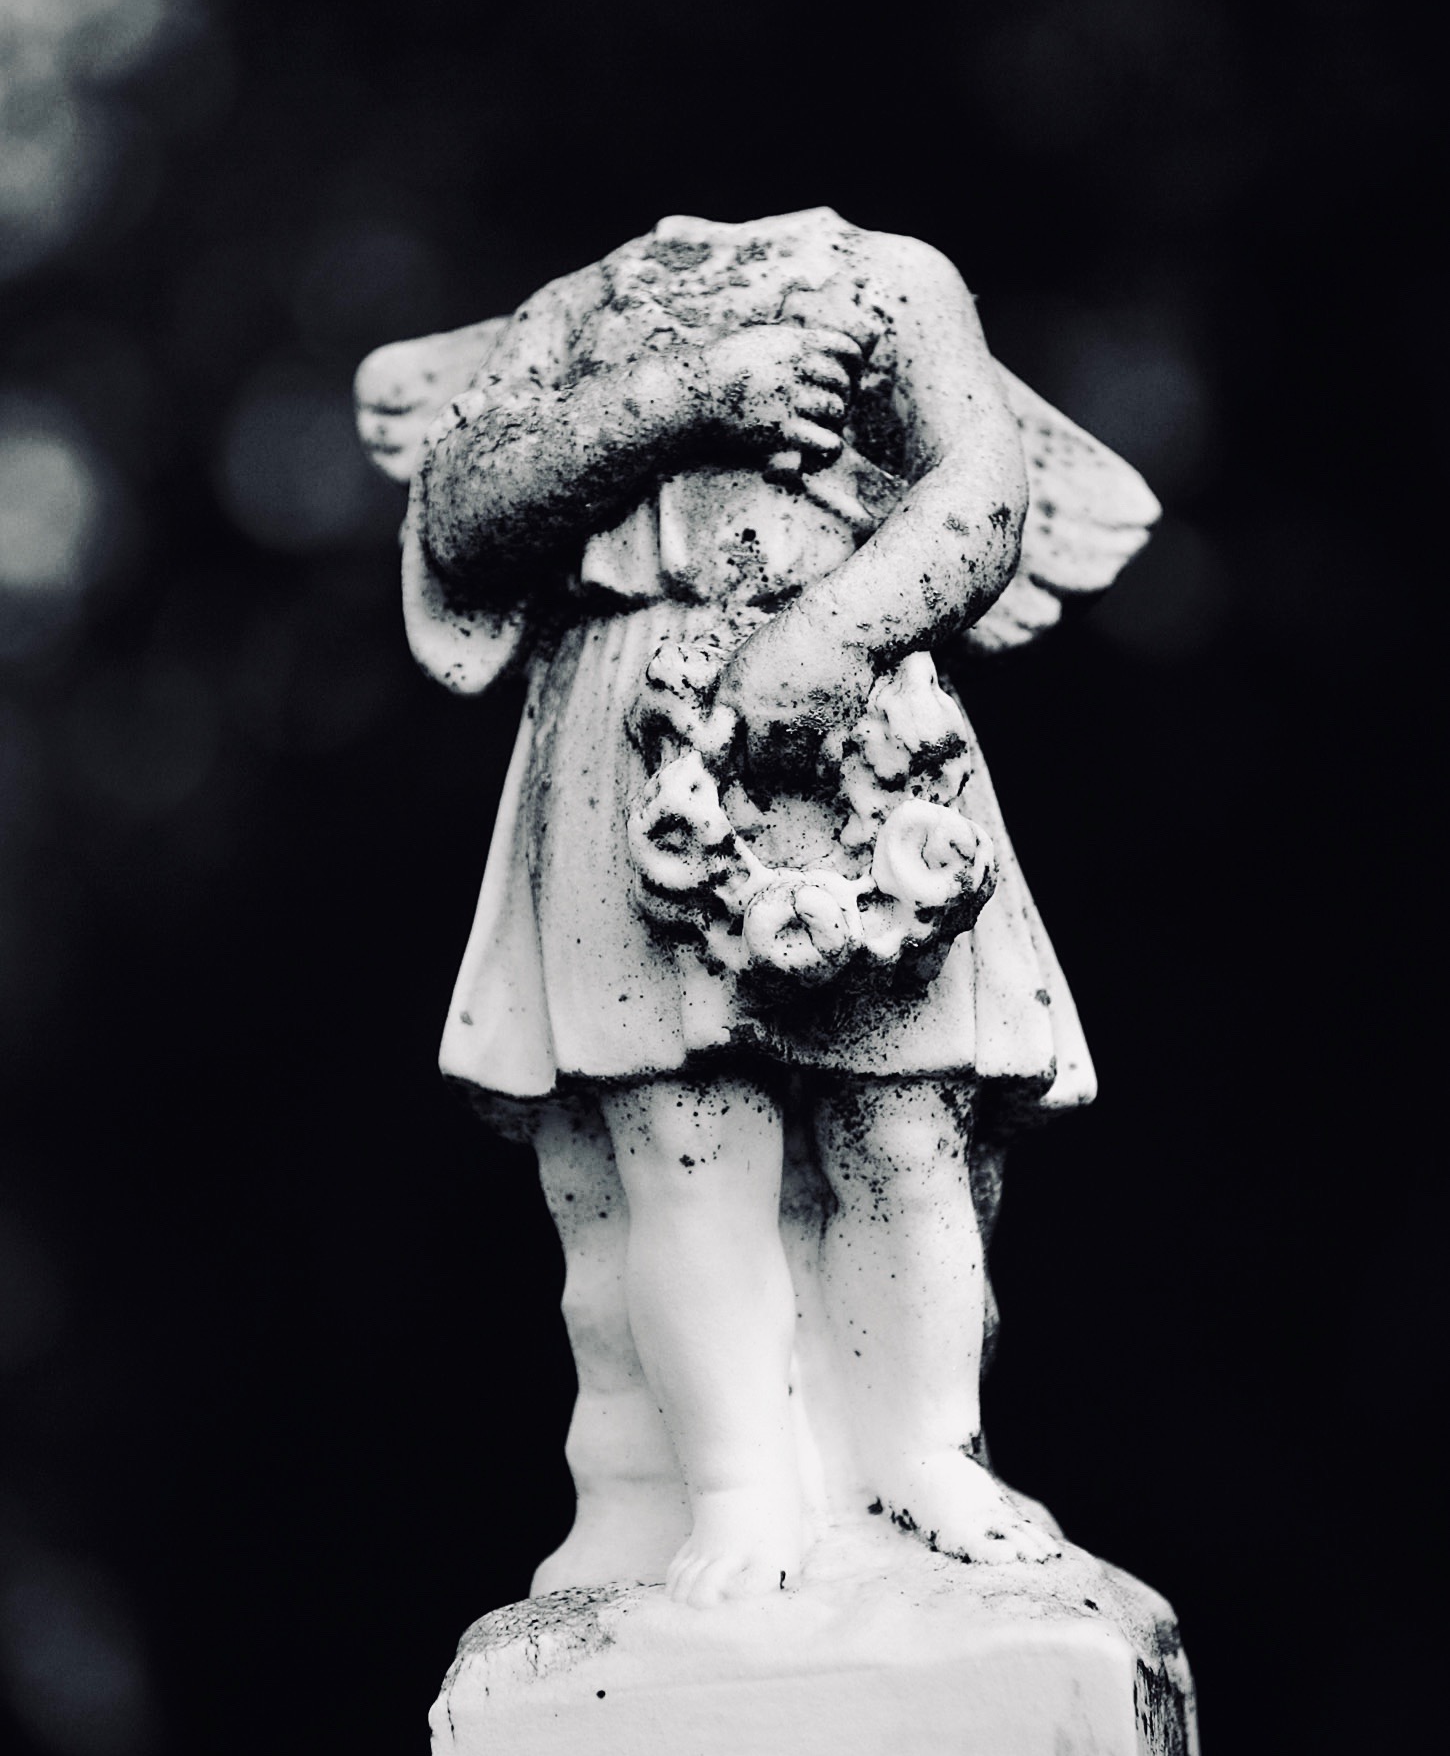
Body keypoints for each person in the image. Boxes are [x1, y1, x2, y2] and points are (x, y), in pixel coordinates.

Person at [355, 208, 1157, 1605]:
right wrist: (685, 400)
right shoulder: (581, 302)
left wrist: (833, 636)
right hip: (632, 723)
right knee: (679, 1137)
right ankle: (730, 1483)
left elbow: (982, 489)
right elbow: (465, 512)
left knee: (904, 1124)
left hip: (863, 720)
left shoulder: (894, 280)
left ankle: (921, 1454)